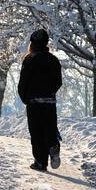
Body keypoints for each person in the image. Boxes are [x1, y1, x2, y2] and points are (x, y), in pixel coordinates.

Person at [18, 29, 62, 172]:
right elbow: (58, 82)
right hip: (49, 101)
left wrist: (25, 97)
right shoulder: (54, 60)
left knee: (36, 132)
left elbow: (23, 81)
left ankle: (40, 162)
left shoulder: (29, 59)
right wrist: (50, 92)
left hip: (34, 102)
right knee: (49, 127)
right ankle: (53, 145)